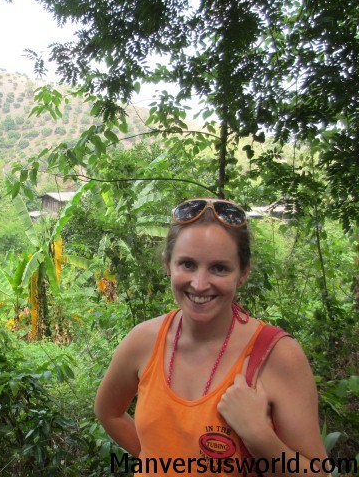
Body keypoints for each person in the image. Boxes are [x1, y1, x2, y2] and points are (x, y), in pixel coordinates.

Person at [94, 198, 328, 476]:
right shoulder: (143, 341)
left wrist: (258, 435)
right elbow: (108, 412)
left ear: (243, 273)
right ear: (168, 264)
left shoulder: (276, 356)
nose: (200, 284)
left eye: (219, 268)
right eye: (187, 264)